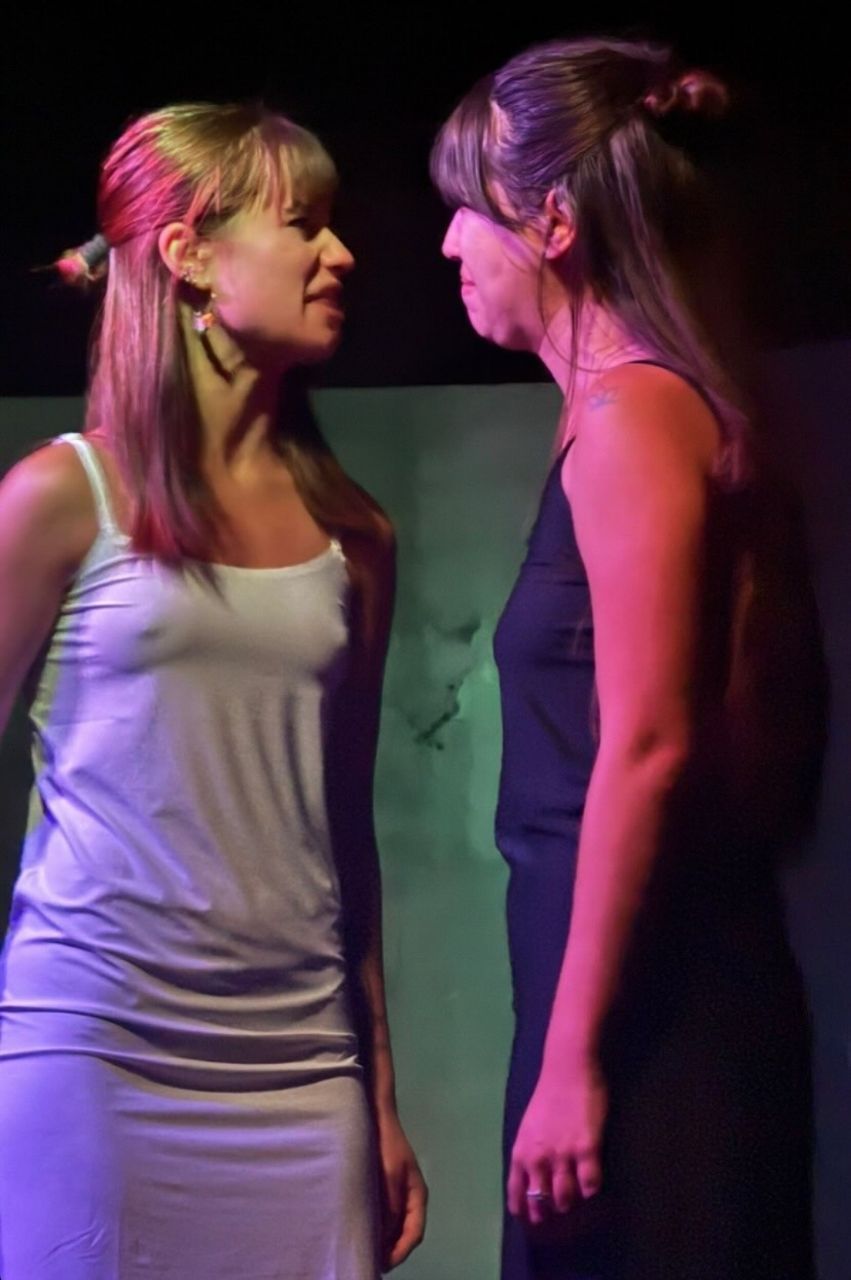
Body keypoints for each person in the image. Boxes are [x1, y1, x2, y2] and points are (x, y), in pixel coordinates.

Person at [0, 101, 425, 1280]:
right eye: (304, 225)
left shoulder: (355, 536)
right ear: (190, 255)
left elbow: (344, 832)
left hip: (300, 1071)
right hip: (92, 1057)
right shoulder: (61, 498)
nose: (340, 255)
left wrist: (378, 1088)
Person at [432, 37, 818, 1280]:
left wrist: (571, 1060)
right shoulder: (627, 406)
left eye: (467, 210)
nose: (446, 244)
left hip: (649, 1006)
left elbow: (647, 741)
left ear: (550, 223)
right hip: (625, 990)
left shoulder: (628, 411)